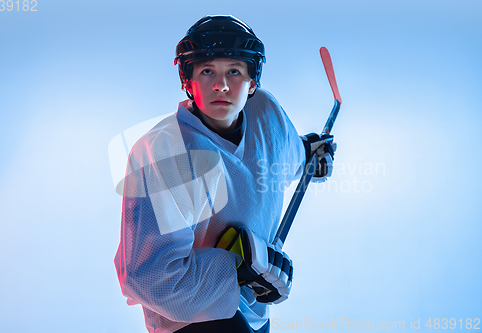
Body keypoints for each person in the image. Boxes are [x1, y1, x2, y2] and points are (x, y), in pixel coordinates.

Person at [114, 15, 336, 333]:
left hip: (254, 313)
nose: (221, 85)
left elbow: (283, 154)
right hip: (191, 320)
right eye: (207, 71)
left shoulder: (266, 114)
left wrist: (311, 152)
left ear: (253, 82)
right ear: (187, 79)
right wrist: (238, 268)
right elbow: (147, 276)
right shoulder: (166, 152)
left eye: (234, 71)